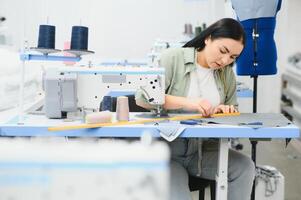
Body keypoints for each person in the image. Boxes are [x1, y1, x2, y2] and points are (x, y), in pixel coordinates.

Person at [136, 18, 255, 200]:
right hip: (168, 152)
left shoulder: (227, 75)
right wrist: (189, 102)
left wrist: (225, 112)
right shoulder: (173, 58)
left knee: (245, 167)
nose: (225, 60)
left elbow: (233, 112)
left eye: (233, 57)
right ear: (208, 38)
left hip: (202, 151)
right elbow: (143, 98)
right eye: (223, 51)